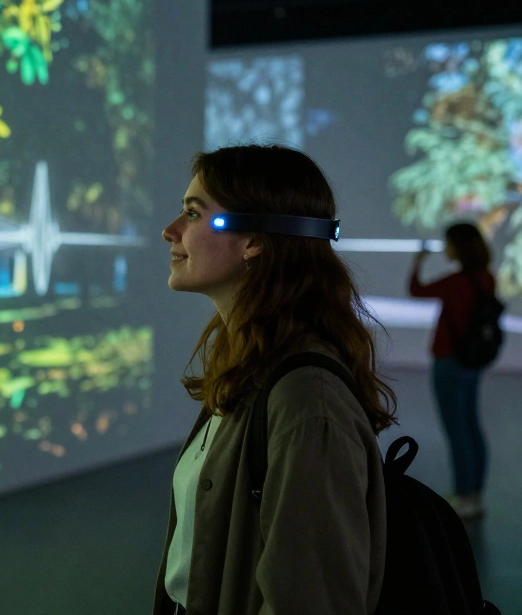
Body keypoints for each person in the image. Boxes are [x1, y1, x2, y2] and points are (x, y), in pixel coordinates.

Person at [152, 145, 395, 615]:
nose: (171, 231)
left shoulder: (306, 401)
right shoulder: (248, 367)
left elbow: (314, 600)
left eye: (193, 214)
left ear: (253, 240)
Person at [408, 223, 496, 519]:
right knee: (471, 426)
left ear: (458, 247)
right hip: (472, 362)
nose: (446, 248)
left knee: (456, 431)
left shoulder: (455, 282)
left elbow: (416, 290)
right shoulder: (486, 278)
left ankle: (462, 494)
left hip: (448, 362)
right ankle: (475, 494)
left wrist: (418, 261)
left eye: (448, 244)